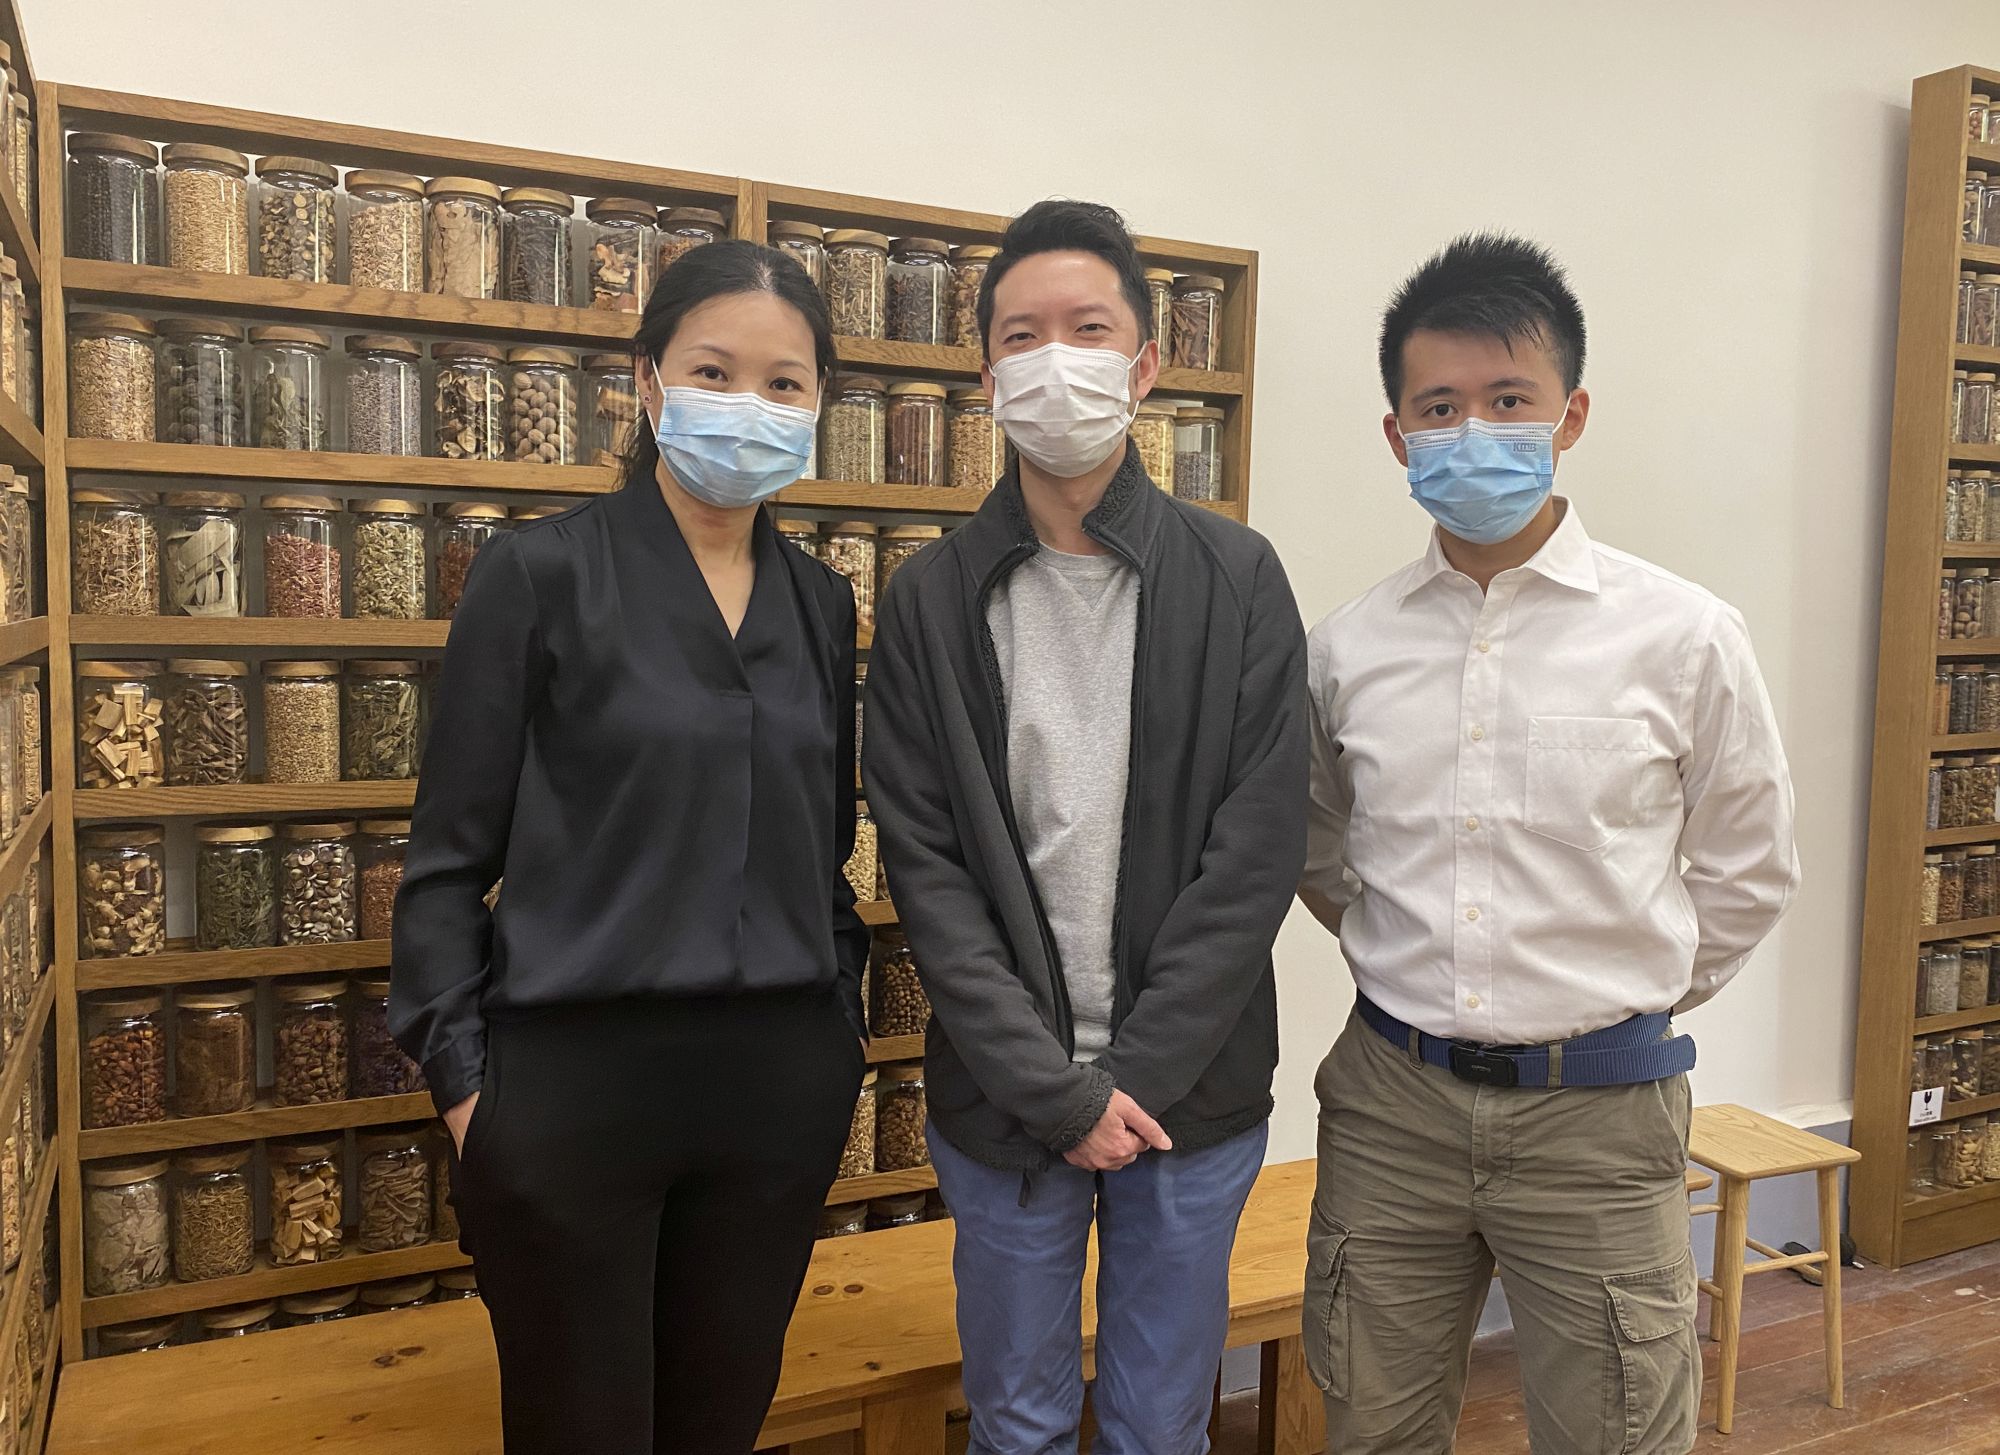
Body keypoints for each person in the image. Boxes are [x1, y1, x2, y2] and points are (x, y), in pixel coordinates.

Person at [1298, 233, 1800, 1454]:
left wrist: (1615, 999)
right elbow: (1317, 851)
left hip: (1599, 1120)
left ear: (1568, 414)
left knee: (1617, 1434)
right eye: (1439, 406)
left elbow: (1746, 866)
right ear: (1395, 433)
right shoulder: (1346, 646)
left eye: (1506, 400)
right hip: (1389, 1106)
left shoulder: (1681, 635)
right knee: (1369, 1424)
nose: (1473, 430)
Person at [390, 240, 869, 1455]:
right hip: (571, 1089)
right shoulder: (540, 574)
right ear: (649, 383)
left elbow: (824, 846)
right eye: (714, 369)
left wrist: (836, 1036)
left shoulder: (819, 603)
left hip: (771, 1093)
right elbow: (446, 862)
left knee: (718, 1426)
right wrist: (470, 1097)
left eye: (783, 383)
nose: (748, 406)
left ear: (817, 406)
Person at [864, 199, 1309, 1455]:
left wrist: (1136, 1081)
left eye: (1086, 327)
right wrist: (1053, 1093)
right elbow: (928, 872)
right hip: (1006, 1105)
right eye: (1021, 334)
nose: (1053, 357)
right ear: (986, 372)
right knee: (1012, 1417)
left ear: (1144, 366)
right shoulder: (930, 601)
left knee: (1161, 1420)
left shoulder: (1236, 579)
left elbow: (1255, 850)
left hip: (1192, 1095)